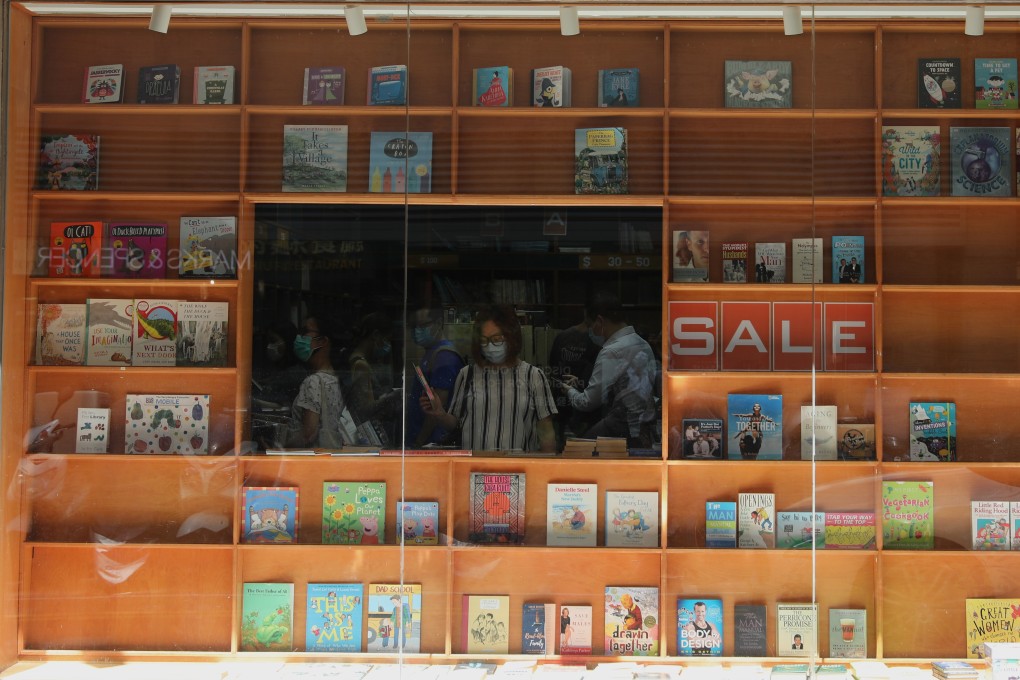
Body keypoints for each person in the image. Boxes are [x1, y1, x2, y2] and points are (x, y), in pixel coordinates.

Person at [420, 305, 557, 453]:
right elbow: (455, 424)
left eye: (497, 339)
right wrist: (440, 413)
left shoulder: (533, 376)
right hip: (474, 465)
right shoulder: (467, 375)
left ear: (512, 338)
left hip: (518, 465)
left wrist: (547, 463)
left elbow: (546, 435)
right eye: (484, 340)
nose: (490, 346)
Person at [560, 291, 657, 448]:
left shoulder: (612, 351)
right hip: (644, 430)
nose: (589, 331)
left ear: (600, 321)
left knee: (578, 450)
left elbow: (588, 402)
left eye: (590, 325)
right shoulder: (643, 344)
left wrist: (569, 391)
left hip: (621, 427)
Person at [287, 315, 351, 449]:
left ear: (322, 341)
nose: (299, 337)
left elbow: (308, 434)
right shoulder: (335, 379)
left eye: (305, 332)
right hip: (332, 454)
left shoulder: (313, 382)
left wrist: (280, 446)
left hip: (313, 457)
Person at [405, 306, 466, 447]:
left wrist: (419, 443)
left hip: (432, 443)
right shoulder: (432, 353)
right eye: (413, 326)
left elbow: (436, 408)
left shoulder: (444, 357)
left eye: (422, 325)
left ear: (438, 323)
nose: (417, 331)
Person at [547, 309, 600, 448]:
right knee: (585, 449)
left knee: (562, 449)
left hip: (563, 402)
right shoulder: (598, 342)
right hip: (585, 407)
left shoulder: (562, 336)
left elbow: (552, 366)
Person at [347, 312, 400, 445]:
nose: (387, 345)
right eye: (386, 339)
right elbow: (366, 408)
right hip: (367, 433)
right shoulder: (361, 365)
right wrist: (393, 396)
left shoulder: (357, 360)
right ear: (376, 335)